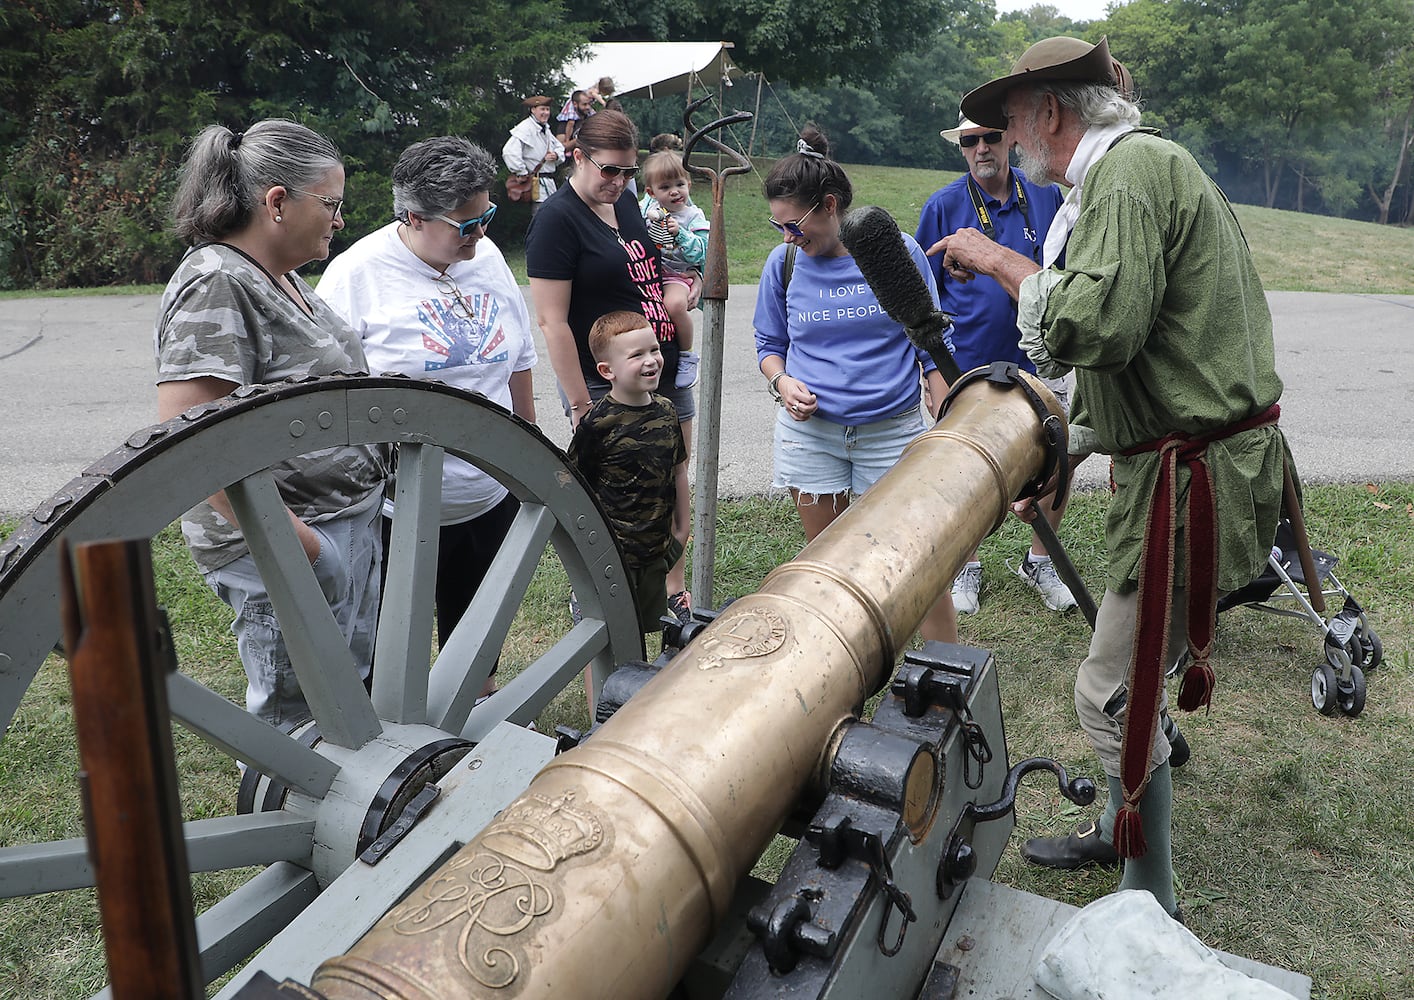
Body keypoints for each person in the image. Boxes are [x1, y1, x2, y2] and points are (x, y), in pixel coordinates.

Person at [930, 36, 1285, 919]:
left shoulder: (1128, 174)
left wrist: (1005, 262)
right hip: (1193, 468)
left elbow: (1099, 326)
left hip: (1196, 481)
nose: (1003, 141)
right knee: (1130, 683)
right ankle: (1132, 824)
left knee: (1109, 690)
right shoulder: (1135, 171)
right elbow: (1149, 358)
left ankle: (1146, 888)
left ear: (1051, 113)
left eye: (1009, 123)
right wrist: (1072, 449)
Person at [154, 119, 387, 724]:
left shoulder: (279, 275)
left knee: (342, 700)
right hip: (284, 540)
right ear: (277, 201)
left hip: (337, 523)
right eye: (331, 204)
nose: (340, 220)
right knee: (295, 720)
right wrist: (302, 546)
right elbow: (191, 439)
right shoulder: (216, 281)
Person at [318, 136, 537, 684]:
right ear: (413, 217)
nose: (481, 233)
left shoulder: (485, 258)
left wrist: (528, 454)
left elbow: (520, 359)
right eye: (465, 225)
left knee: (478, 642)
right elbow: (327, 399)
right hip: (398, 509)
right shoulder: (355, 277)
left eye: (486, 215)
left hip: (489, 496)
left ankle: (477, 724)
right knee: (393, 654)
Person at [753, 126, 956, 643]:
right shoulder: (785, 263)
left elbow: (926, 338)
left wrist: (941, 393)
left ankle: (949, 677)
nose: (786, 238)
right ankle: (844, 667)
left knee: (916, 561)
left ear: (829, 205)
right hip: (812, 437)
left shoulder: (894, 250)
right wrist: (782, 382)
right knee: (828, 564)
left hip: (891, 432)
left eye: (793, 226)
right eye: (778, 227)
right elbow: (768, 345)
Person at [525, 109, 694, 622]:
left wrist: (674, 296)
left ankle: (671, 595)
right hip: (602, 384)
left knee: (672, 479)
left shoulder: (623, 202)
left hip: (659, 365)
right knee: (618, 507)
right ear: (577, 156)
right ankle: (605, 610)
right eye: (609, 170)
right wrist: (581, 406)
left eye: (627, 170)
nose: (620, 182)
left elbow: (651, 267)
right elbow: (553, 323)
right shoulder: (557, 219)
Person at [916, 113, 1076, 617]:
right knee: (961, 472)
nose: (981, 148)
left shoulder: (1047, 196)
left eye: (989, 137)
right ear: (961, 148)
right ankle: (966, 563)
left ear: (1008, 139)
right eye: (970, 141)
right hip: (964, 367)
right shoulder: (943, 206)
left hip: (1038, 362)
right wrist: (930, 370)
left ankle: (1039, 560)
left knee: (1057, 460)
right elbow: (917, 300)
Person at [566, 310, 689, 633]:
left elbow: (678, 470)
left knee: (639, 632)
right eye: (637, 355)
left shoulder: (666, 411)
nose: (651, 360)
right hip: (610, 556)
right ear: (607, 370)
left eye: (655, 349)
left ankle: (634, 684)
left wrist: (682, 528)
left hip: (654, 550)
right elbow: (575, 489)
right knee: (600, 635)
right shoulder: (597, 424)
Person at [639, 150, 708, 389]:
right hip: (651, 271)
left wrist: (681, 234)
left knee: (676, 305)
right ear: (651, 193)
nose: (675, 191)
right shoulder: (647, 210)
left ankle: (687, 354)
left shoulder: (693, 216)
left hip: (678, 273)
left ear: (688, 184)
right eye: (666, 187)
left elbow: (702, 251)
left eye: (680, 184)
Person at [502, 95, 565, 213]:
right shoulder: (525, 128)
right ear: (533, 110)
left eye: (547, 109)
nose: (546, 113)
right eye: (542, 109)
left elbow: (559, 147)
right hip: (536, 185)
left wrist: (556, 155)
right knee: (541, 217)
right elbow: (509, 152)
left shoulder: (546, 128)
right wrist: (521, 172)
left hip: (549, 183)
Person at [557, 89, 594, 158]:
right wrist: (580, 139)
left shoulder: (591, 119)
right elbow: (560, 148)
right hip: (570, 164)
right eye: (584, 104)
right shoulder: (565, 122)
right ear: (575, 104)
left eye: (589, 104)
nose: (588, 107)